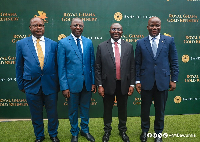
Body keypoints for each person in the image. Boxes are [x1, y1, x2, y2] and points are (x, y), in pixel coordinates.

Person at [16, 17, 60, 142]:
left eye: (41, 25)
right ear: (30, 28)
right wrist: (21, 85)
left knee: (52, 113)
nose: (38, 27)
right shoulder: (21, 44)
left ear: (44, 27)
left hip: (50, 85)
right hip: (31, 85)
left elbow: (57, 66)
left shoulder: (53, 44)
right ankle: (39, 136)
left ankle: (53, 134)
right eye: (35, 25)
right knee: (36, 114)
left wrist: (58, 84)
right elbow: (19, 66)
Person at [135, 17, 179, 142]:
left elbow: (174, 61)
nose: (155, 28)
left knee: (160, 110)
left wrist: (174, 79)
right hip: (146, 82)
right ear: (147, 27)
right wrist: (137, 81)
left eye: (157, 25)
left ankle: (158, 133)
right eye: (152, 25)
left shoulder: (169, 41)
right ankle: (144, 131)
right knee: (145, 110)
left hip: (162, 81)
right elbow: (137, 64)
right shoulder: (140, 43)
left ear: (160, 26)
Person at [57, 18, 96, 142]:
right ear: (70, 27)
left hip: (87, 83)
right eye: (75, 25)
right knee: (73, 110)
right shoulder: (63, 43)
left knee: (85, 108)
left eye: (80, 25)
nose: (78, 27)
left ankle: (85, 130)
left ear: (83, 27)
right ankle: (74, 132)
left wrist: (93, 82)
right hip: (71, 84)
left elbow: (92, 64)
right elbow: (61, 67)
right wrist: (64, 86)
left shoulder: (88, 42)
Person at [95, 23, 135, 142]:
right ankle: (107, 131)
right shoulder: (101, 46)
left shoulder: (129, 46)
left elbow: (132, 67)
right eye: (113, 29)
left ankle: (122, 130)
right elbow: (97, 67)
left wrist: (132, 84)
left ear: (122, 32)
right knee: (107, 109)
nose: (116, 31)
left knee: (123, 109)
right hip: (107, 84)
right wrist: (100, 85)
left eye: (118, 29)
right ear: (110, 31)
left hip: (124, 84)